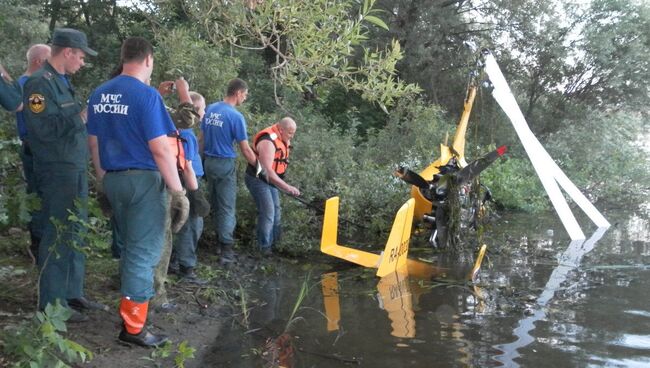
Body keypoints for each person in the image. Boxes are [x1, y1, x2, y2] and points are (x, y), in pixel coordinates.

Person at [87, 36, 189, 347]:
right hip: (143, 182)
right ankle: (133, 329)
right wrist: (178, 191)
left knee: (131, 248)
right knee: (143, 255)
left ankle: (132, 313)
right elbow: (160, 149)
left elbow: (93, 142)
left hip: (113, 178)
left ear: (123, 58)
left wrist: (104, 178)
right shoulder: (146, 96)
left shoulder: (98, 93)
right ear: (148, 60)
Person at [22, 28, 106, 322]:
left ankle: (72, 293)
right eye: (81, 57)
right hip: (56, 170)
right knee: (57, 233)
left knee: (75, 230)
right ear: (68, 52)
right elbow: (41, 130)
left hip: (74, 166)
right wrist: (80, 116)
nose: (82, 63)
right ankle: (52, 304)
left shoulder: (62, 82)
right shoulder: (38, 84)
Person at [150, 78, 200, 311]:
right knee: (162, 239)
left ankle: (132, 288)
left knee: (137, 238)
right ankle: (156, 296)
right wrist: (183, 92)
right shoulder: (154, 107)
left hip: (136, 176)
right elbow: (188, 119)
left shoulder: (133, 101)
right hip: (161, 181)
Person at [201, 78, 257, 263]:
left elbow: (202, 138)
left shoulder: (210, 109)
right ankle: (226, 249)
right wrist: (260, 168)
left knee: (216, 204)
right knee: (226, 207)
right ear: (238, 93)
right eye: (245, 95)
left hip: (208, 162)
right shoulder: (235, 116)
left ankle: (218, 243)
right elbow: (246, 149)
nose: (245, 98)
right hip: (224, 164)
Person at [170, 91, 210, 284]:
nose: (205, 112)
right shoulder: (186, 134)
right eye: (202, 108)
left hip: (179, 180)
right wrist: (196, 194)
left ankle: (174, 261)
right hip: (188, 181)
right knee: (192, 224)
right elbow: (186, 165)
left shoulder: (176, 128)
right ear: (194, 110)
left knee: (178, 222)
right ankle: (187, 268)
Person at [244, 118, 300, 255]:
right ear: (281, 130)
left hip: (271, 181)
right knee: (268, 212)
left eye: (293, 133)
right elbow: (267, 172)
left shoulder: (282, 137)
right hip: (258, 179)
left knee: (276, 210)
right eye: (290, 133)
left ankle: (277, 244)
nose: (292, 136)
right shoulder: (268, 142)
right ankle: (264, 249)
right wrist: (287, 187)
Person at [16, 44, 51, 259]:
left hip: (40, 148)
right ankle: (38, 243)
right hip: (35, 148)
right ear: (38, 61)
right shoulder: (29, 85)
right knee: (38, 194)